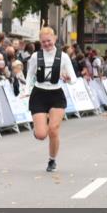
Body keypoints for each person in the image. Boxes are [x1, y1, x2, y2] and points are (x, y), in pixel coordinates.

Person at [24, 26, 77, 172]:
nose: (46, 44)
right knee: (41, 135)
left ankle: (52, 160)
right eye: (43, 42)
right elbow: (29, 75)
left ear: (54, 39)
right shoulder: (36, 56)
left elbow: (73, 78)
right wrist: (26, 90)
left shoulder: (63, 56)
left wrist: (67, 79)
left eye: (49, 41)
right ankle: (38, 128)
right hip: (39, 94)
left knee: (53, 130)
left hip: (56, 95)